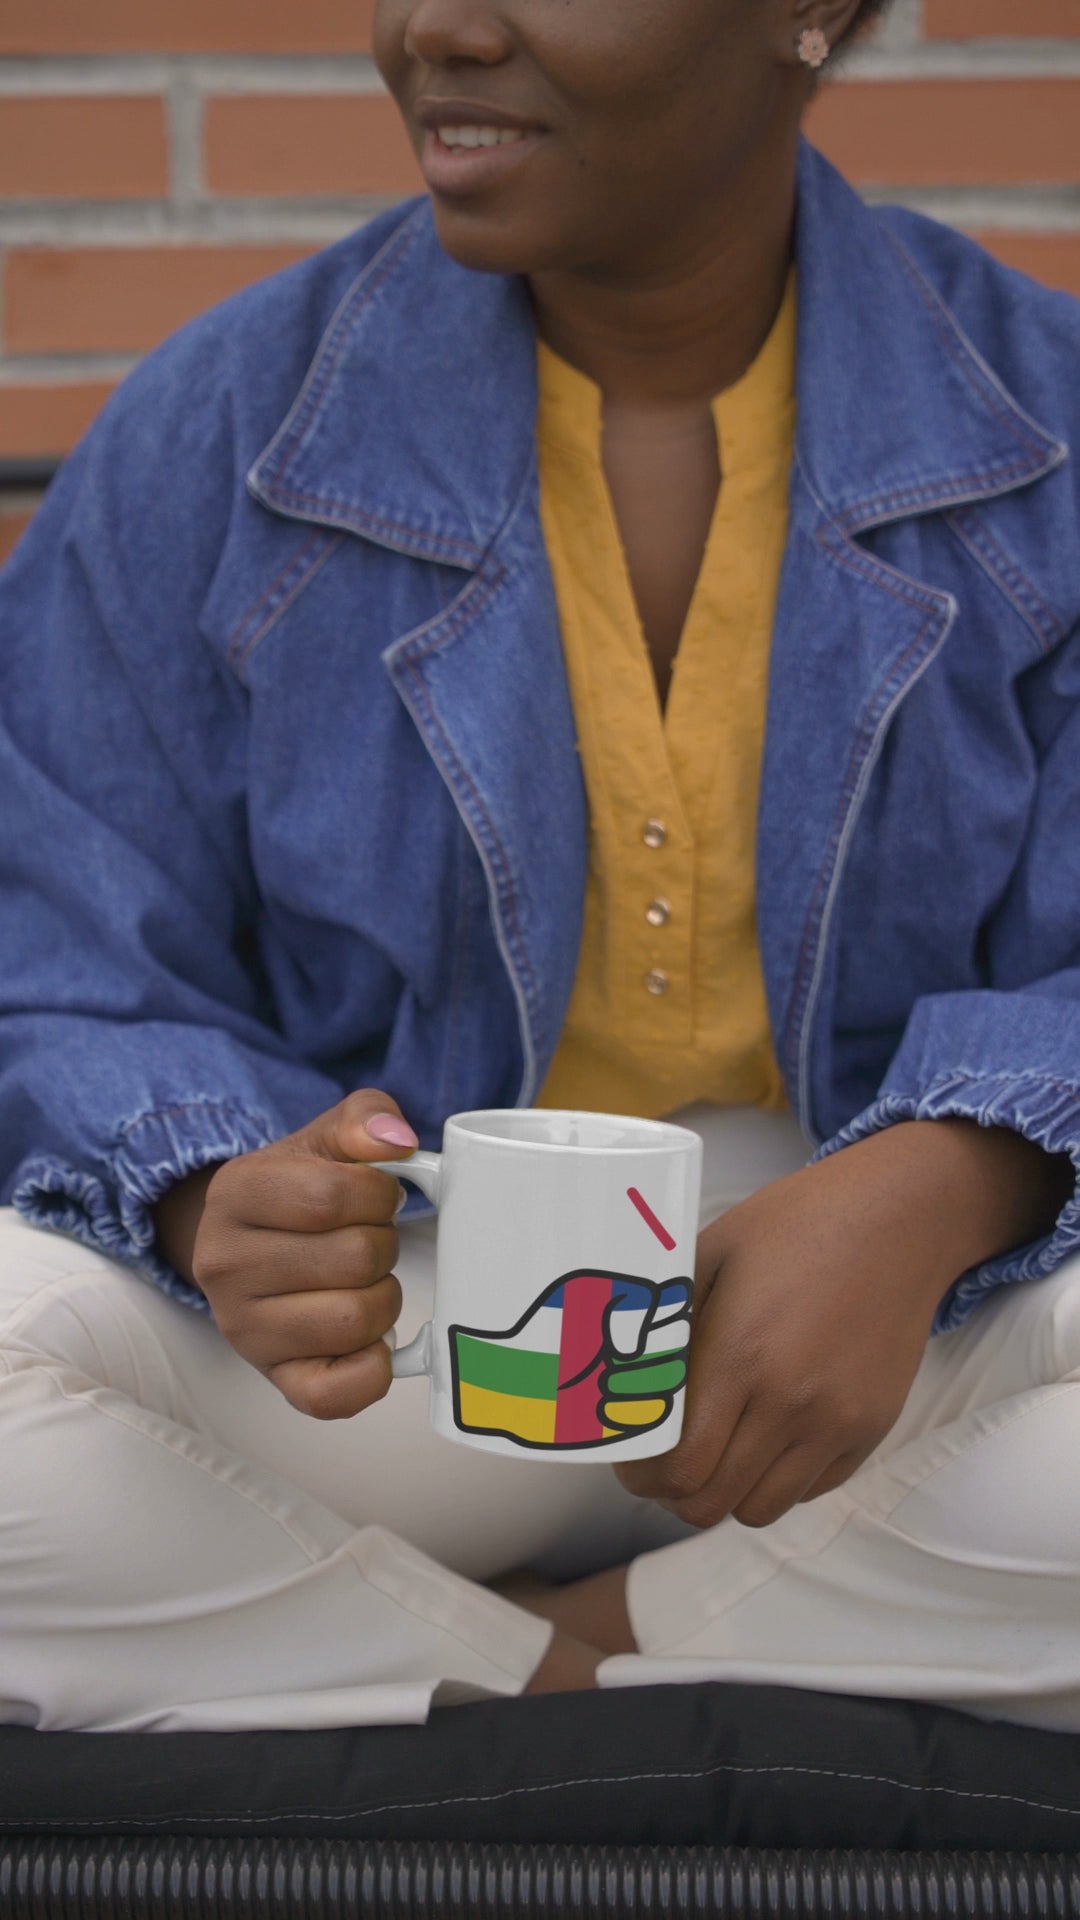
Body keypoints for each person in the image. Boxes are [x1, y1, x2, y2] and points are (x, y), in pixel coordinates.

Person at [1, 0, 1079, 1734]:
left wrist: (956, 1173)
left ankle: (387, 1668)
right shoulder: (226, 425)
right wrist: (213, 1193)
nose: (437, 24)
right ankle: (599, 1669)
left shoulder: (1051, 435)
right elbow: (50, 936)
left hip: (892, 1346)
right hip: (405, 1354)